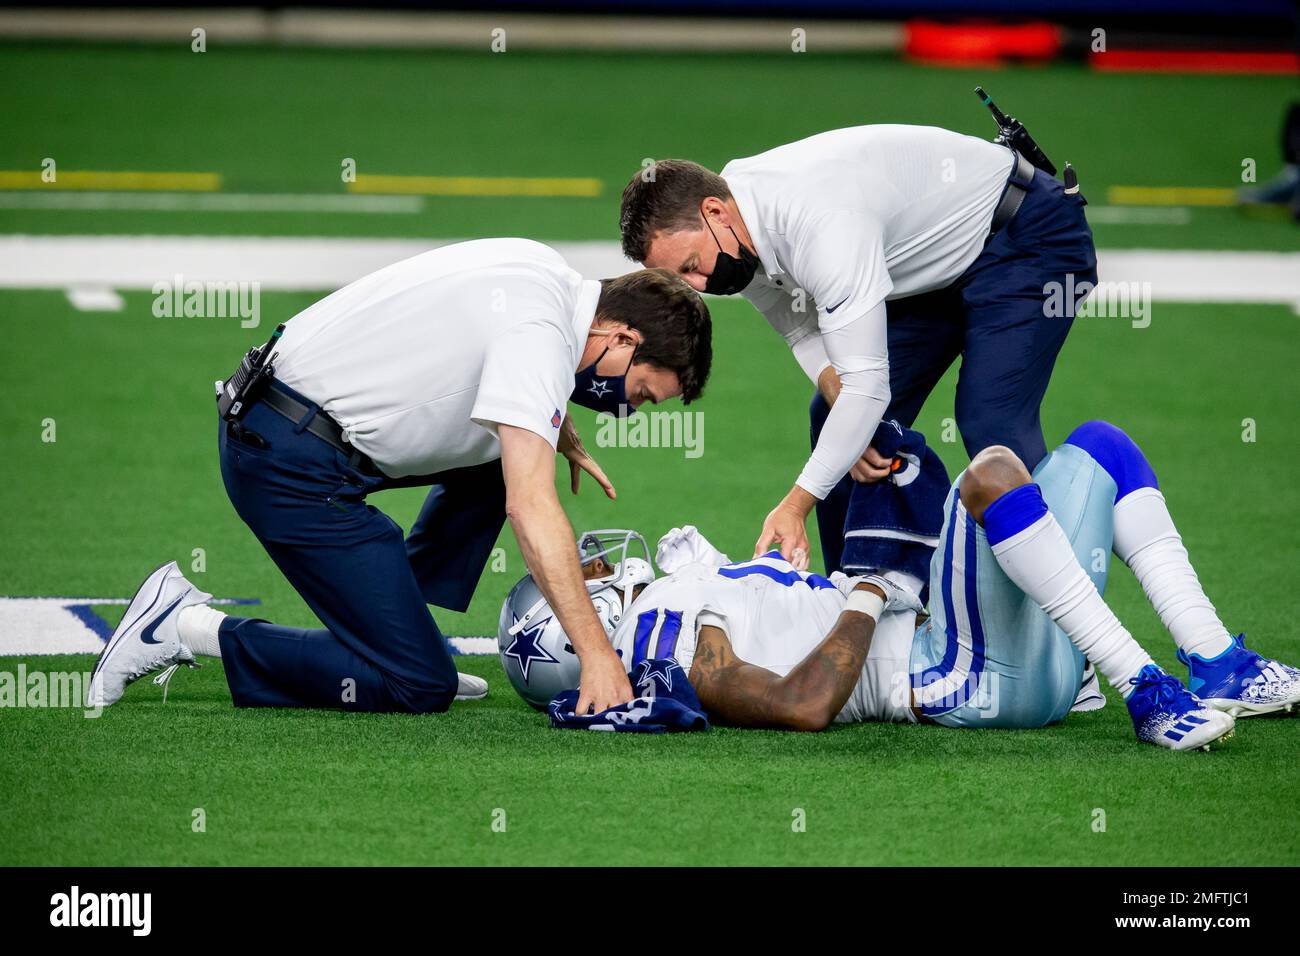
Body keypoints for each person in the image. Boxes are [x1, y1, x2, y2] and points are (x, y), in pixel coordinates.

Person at [88, 239, 712, 717]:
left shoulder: (547, 273)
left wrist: (553, 425)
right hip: (286, 461)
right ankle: (183, 625)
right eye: (639, 393)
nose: (626, 409)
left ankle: (398, 626)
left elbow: (475, 347)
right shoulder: (541, 336)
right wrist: (599, 659)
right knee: (417, 685)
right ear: (622, 337)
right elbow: (530, 506)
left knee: (510, 452)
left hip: (292, 417)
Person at [500, 422, 1300, 750]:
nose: (593, 565)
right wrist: (868, 589)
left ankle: (1216, 659)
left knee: (1103, 449)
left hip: (999, 660)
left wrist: (780, 577)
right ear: (578, 625)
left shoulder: (677, 605)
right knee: (988, 475)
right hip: (956, 673)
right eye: (586, 576)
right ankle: (1147, 691)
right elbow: (800, 705)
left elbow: (778, 622)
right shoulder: (664, 639)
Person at [618, 124, 1096, 572]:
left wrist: (795, 504)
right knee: (835, 418)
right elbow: (803, 333)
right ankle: (849, 614)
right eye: (680, 277)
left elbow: (867, 389)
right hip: (935, 263)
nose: (697, 285)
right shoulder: (734, 232)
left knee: (991, 424)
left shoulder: (820, 223)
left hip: (1027, 235)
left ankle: (1064, 629)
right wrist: (844, 405)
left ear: (714, 211)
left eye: (692, 265)